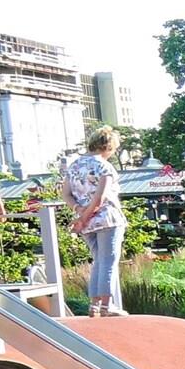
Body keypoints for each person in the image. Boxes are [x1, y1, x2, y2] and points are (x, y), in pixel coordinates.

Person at [64, 127, 127, 317]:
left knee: (98, 261)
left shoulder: (74, 166)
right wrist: (84, 217)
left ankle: (94, 305)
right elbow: (100, 198)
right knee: (108, 261)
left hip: (88, 225)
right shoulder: (104, 166)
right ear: (108, 146)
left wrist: (79, 212)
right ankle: (107, 306)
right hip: (107, 218)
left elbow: (66, 194)